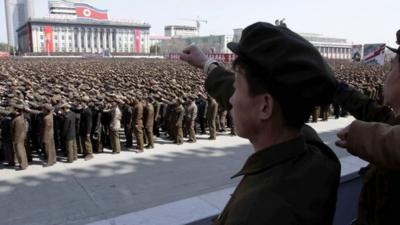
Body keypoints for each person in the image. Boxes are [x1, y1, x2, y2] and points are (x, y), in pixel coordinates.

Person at [180, 22, 340, 225]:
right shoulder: (316, 155)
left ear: (265, 107)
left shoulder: (255, 213)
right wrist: (207, 65)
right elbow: (254, 97)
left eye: (237, 88)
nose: (231, 100)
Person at [334, 46, 400, 225]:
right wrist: (336, 88)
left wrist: (358, 133)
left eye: (391, 68)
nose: (385, 76)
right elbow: (374, 113)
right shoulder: (394, 121)